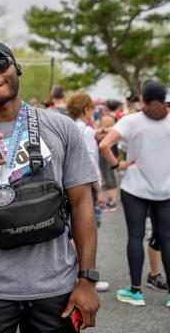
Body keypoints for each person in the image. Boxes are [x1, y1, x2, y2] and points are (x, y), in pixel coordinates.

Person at [0, 41, 100, 332]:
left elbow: (81, 202)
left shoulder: (60, 127)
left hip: (55, 285)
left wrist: (87, 279)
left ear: (17, 69)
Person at [99, 80, 170, 308]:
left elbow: (103, 145)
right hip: (166, 189)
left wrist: (116, 166)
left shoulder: (131, 121)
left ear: (142, 100)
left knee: (135, 237)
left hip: (135, 188)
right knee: (167, 239)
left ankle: (136, 291)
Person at [66, 92, 111, 293]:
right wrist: (100, 189)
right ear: (86, 110)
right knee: (87, 230)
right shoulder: (87, 131)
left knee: (70, 231)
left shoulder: (67, 127)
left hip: (67, 185)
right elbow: (90, 161)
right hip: (86, 186)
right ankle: (85, 275)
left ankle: (73, 273)